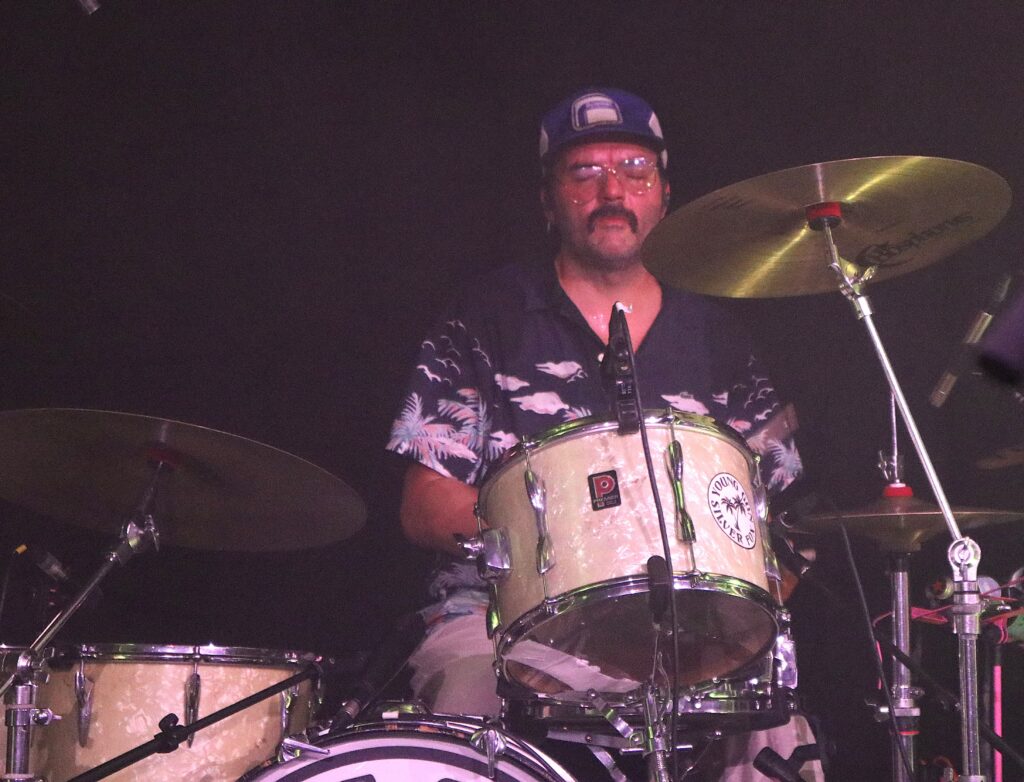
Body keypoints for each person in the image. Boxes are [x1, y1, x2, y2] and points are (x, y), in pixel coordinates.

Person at [387, 87, 821, 781]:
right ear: (548, 201)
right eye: (584, 173)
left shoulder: (718, 335)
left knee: (773, 726)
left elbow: (785, 524)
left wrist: (732, 629)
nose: (611, 190)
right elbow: (425, 505)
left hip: (687, 628)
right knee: (469, 696)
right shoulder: (487, 318)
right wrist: (570, 540)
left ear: (665, 196)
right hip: (498, 623)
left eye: (634, 171)